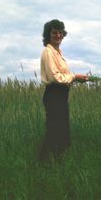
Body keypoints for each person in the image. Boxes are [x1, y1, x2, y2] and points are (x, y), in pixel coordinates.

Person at [38, 19, 88, 162]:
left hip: (60, 94)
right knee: (54, 130)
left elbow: (63, 76)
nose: (58, 35)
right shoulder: (48, 52)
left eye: (60, 32)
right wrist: (75, 77)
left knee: (62, 130)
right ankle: (44, 162)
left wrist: (75, 78)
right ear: (48, 34)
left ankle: (57, 161)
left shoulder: (58, 53)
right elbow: (55, 77)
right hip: (54, 94)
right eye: (54, 32)